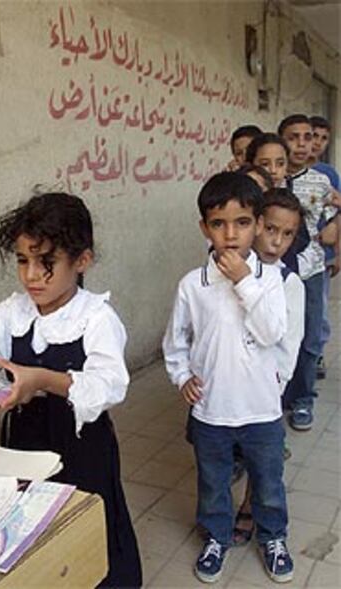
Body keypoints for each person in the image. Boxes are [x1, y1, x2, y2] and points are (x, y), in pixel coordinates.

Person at [0, 192, 142, 588]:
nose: (31, 276)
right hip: (24, 440)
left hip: (81, 443)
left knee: (85, 518)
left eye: (47, 263)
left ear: (82, 261)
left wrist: (42, 380)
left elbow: (108, 385)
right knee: (32, 524)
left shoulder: (95, 317)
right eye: (23, 261)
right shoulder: (10, 313)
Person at [163, 172, 293, 584]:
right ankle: (217, 537)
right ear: (205, 228)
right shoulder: (192, 285)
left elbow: (274, 332)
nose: (231, 234)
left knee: (268, 483)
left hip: (261, 410)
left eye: (242, 222)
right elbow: (175, 340)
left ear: (256, 224)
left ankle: (273, 537)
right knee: (213, 483)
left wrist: (243, 281)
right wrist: (181, 373)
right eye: (219, 224)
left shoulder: (272, 279)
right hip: (211, 411)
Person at [233, 188, 305, 547]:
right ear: (256, 224)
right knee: (230, 452)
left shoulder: (289, 283)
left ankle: (251, 509)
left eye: (287, 233)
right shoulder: (230, 270)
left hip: (265, 389)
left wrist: (276, 384)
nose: (276, 241)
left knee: (263, 459)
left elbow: (290, 342)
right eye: (271, 229)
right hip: (229, 383)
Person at [278, 114, 338, 431]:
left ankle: (303, 399)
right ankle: (276, 396)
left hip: (311, 269)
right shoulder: (268, 177)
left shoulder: (321, 181)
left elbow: (333, 220)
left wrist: (335, 237)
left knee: (309, 336)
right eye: (293, 137)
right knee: (275, 333)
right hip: (273, 271)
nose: (302, 144)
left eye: (307, 137)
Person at [309, 115, 340, 379]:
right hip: (295, 253)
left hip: (323, 253)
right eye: (312, 136)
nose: (316, 142)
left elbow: (338, 213)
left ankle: (316, 353)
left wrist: (338, 251)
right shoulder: (286, 169)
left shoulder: (329, 174)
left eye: (322, 137)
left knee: (319, 306)